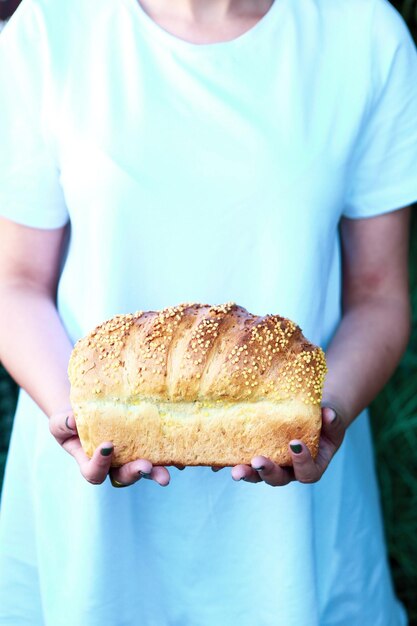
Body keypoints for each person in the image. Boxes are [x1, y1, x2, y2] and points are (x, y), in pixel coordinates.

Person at [0, 0, 416, 624]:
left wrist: (326, 414)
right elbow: (17, 282)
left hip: (294, 532)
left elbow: (380, 296)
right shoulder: (51, 26)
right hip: (88, 519)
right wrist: (76, 414)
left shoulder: (363, 32)